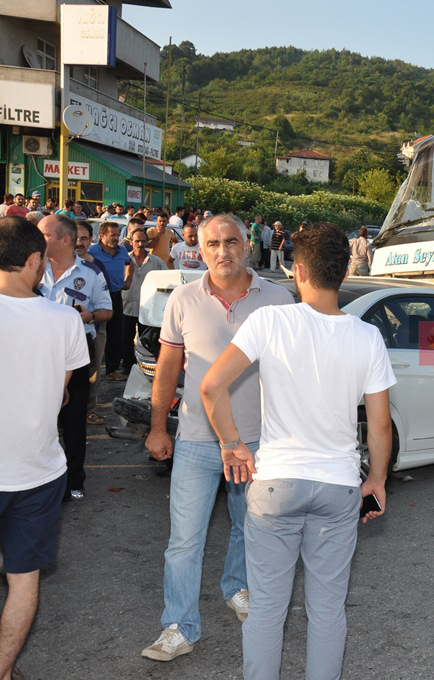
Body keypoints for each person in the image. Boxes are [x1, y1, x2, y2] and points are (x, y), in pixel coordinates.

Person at [201, 222, 394, 679]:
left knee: (267, 610)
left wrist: (233, 446)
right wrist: (378, 481)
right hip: (339, 487)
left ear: (299, 271)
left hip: (276, 484)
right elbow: (380, 425)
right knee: (327, 611)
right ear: (344, 273)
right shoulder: (367, 337)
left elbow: (211, 387)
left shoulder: (270, 321)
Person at [141, 214, 293, 662]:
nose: (222, 251)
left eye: (231, 242)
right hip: (195, 440)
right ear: (199, 249)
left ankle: (237, 587)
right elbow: (169, 368)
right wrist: (156, 426)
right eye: (213, 244)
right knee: (184, 540)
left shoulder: (279, 299)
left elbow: (291, 371)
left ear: (248, 247)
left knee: (252, 529)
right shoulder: (184, 299)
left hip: (259, 441)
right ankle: (179, 626)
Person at [0, 216, 90, 680]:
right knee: (23, 581)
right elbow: (63, 392)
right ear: (35, 260)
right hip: (36, 470)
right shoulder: (65, 319)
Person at [37, 214, 112, 500]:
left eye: (44, 235)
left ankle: (73, 482)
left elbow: (107, 311)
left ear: (64, 239)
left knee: (73, 421)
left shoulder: (90, 274)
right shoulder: (31, 268)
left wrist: (89, 315)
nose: (38, 239)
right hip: (39, 353)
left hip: (76, 352)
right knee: (39, 418)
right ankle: (41, 480)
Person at [89, 222, 132, 381]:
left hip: (115, 295)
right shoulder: (92, 251)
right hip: (96, 297)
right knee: (95, 333)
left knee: (115, 334)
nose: (116, 238)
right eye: (113, 235)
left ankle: (112, 370)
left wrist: (128, 280)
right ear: (102, 236)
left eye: (117, 234)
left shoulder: (122, 251)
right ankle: (91, 370)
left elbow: (130, 263)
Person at [122, 228, 169, 374]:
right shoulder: (124, 260)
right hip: (127, 306)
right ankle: (127, 367)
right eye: (137, 241)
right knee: (126, 339)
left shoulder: (156, 262)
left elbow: (167, 280)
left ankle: (147, 368)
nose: (141, 244)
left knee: (147, 341)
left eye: (143, 241)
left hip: (148, 309)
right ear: (131, 242)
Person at [76, 221, 109, 426]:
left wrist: (92, 317)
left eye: (84, 238)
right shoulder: (49, 266)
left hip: (94, 329)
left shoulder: (96, 267)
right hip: (64, 334)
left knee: (93, 373)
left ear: (91, 240)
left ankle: (88, 411)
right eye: (76, 238)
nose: (79, 242)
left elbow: (106, 307)